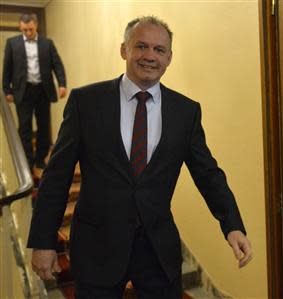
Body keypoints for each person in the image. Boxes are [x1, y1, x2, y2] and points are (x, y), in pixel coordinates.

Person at [27, 15, 252, 298]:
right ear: (124, 50)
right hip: (97, 249)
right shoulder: (86, 102)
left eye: (159, 50)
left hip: (157, 252)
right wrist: (44, 241)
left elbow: (207, 174)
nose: (150, 56)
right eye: (141, 46)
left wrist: (232, 226)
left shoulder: (186, 112)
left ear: (169, 57)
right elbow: (57, 176)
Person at [2, 13, 67, 169]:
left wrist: (62, 84)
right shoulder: (12, 43)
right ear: (20, 28)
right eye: (24, 30)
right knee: (24, 127)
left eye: (30, 29)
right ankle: (27, 162)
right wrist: (7, 90)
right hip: (22, 91)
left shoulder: (47, 43)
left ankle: (40, 160)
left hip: (42, 90)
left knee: (44, 126)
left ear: (36, 25)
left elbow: (57, 64)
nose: (28, 33)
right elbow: (7, 68)